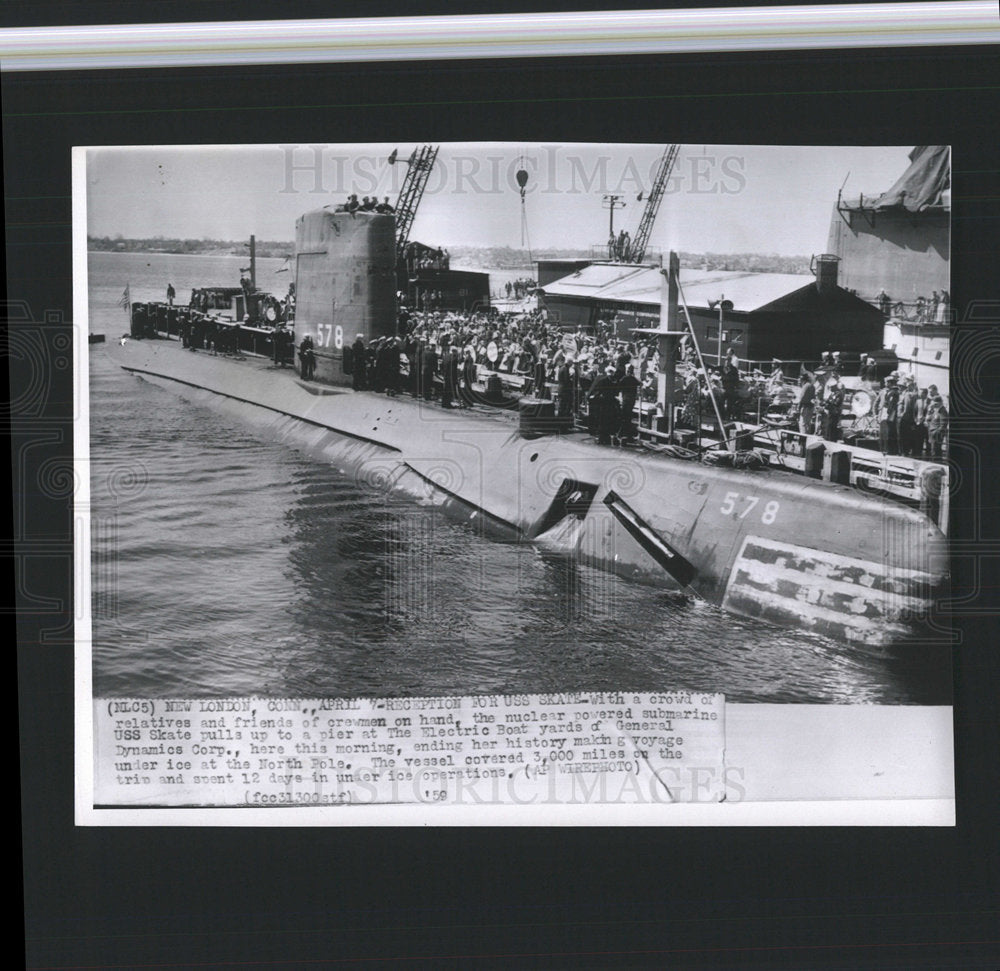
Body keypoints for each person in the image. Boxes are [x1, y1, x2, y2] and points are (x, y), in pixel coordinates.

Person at [874, 374, 900, 454]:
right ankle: (882, 449)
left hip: (891, 414)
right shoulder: (883, 391)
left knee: (890, 432)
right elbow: (876, 402)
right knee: (882, 432)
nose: (885, 383)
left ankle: (890, 450)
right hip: (882, 414)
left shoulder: (895, 392)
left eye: (887, 382)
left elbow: (894, 404)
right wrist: (875, 413)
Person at [618, 364, 640, 441]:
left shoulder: (624, 378)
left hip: (626, 399)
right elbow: (640, 383)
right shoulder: (634, 379)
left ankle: (621, 433)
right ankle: (627, 433)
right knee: (628, 416)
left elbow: (619, 386)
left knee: (624, 416)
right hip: (632, 399)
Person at [821, 376, 844, 442]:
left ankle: (832, 440)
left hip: (835, 414)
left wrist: (827, 404)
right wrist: (822, 403)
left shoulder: (839, 394)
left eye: (831, 387)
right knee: (828, 427)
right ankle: (827, 438)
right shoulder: (832, 394)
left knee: (832, 428)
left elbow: (836, 404)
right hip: (830, 413)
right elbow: (827, 401)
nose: (830, 388)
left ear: (834, 386)